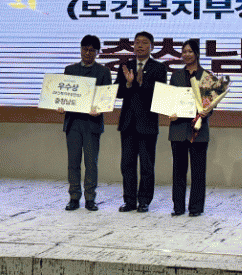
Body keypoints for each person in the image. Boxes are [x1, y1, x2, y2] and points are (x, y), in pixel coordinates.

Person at [115, 31, 167, 213]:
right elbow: (118, 93)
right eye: (137, 42)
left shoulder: (159, 68)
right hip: (128, 123)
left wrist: (141, 83)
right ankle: (129, 201)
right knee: (127, 165)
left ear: (152, 47)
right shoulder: (126, 66)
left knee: (146, 165)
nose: (140, 46)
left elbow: (160, 94)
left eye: (144, 43)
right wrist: (129, 84)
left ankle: (144, 201)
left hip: (147, 123)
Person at [61, 34, 112, 211]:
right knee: (73, 163)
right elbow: (63, 95)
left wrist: (100, 109)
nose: (87, 53)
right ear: (80, 49)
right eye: (85, 49)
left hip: (92, 123)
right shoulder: (70, 70)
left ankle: (90, 198)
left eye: (91, 50)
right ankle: (74, 197)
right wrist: (60, 105)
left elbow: (106, 99)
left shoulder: (103, 72)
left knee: (91, 163)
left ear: (98, 52)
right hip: (73, 122)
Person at [168, 39, 211, 217]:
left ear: (197, 53)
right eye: (184, 51)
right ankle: (178, 206)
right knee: (178, 170)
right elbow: (170, 100)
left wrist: (207, 111)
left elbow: (210, 104)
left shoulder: (206, 76)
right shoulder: (176, 76)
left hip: (199, 131)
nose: (186, 54)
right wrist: (170, 111)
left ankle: (196, 207)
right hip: (178, 129)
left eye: (190, 51)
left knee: (198, 172)